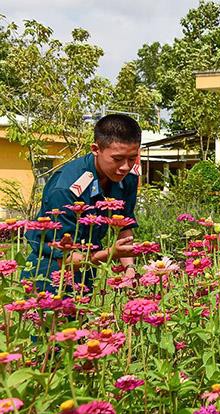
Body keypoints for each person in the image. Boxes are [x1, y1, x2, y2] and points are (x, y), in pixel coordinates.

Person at [23, 113, 141, 292]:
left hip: (89, 264)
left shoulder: (128, 178)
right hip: (51, 269)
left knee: (82, 317)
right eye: (117, 159)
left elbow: (123, 226)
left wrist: (129, 269)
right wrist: (111, 254)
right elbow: (65, 257)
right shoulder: (65, 188)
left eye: (132, 158)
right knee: (56, 319)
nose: (125, 166)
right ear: (95, 149)